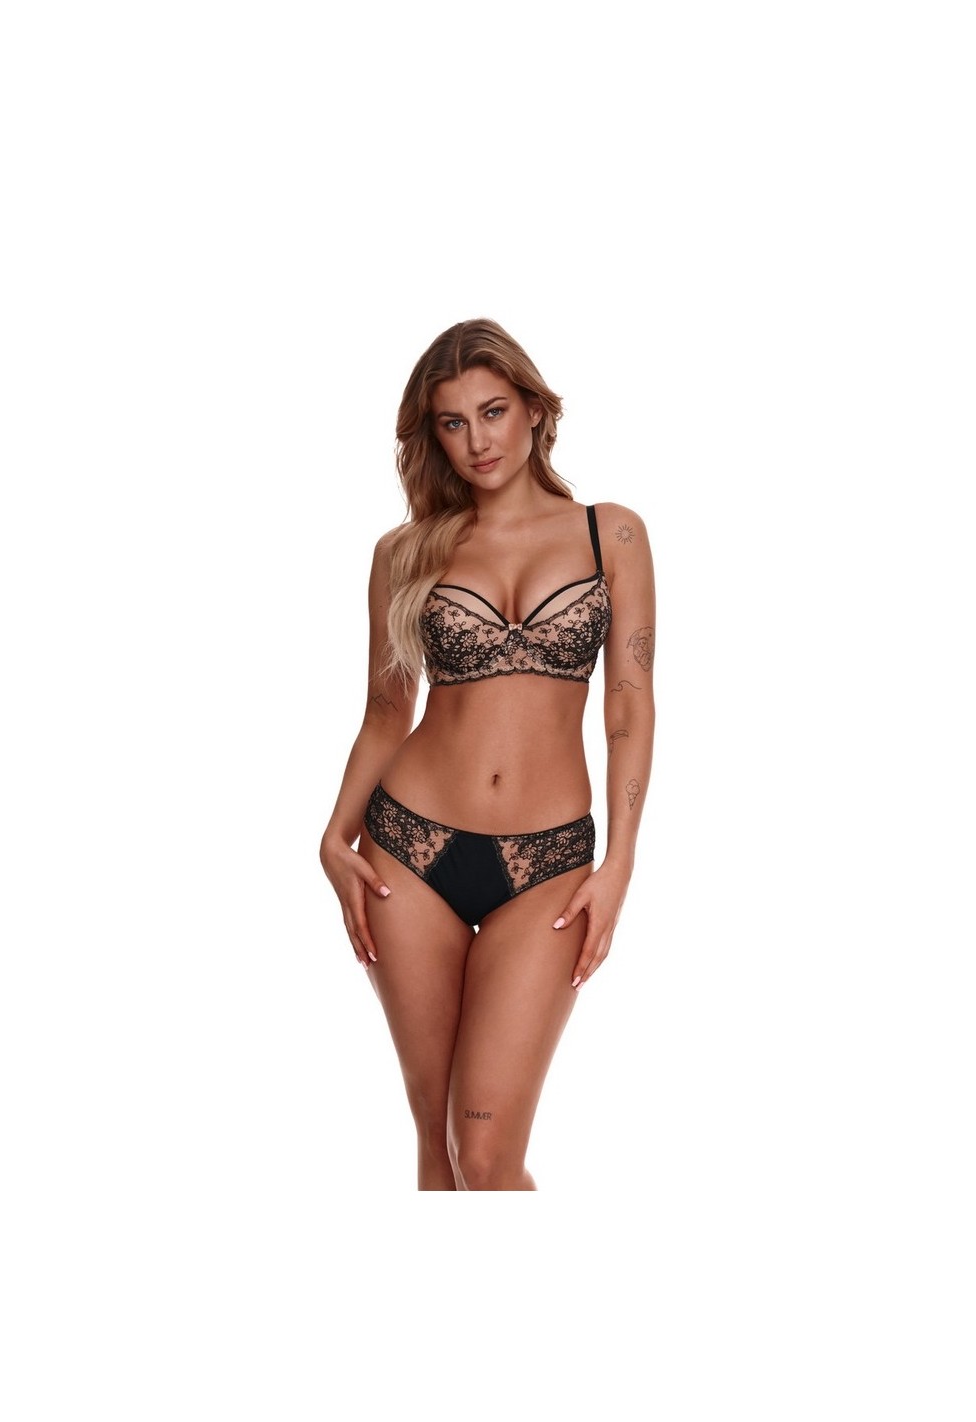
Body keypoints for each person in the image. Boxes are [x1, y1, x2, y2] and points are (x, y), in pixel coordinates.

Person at [319, 318, 655, 1191]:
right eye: (453, 422)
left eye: (494, 411)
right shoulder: (405, 553)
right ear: (432, 435)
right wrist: (332, 836)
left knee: (487, 1153)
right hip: (408, 848)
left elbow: (628, 703)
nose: (478, 440)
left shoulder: (610, 535)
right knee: (438, 1146)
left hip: (548, 863)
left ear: (535, 410)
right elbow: (386, 713)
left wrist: (620, 862)